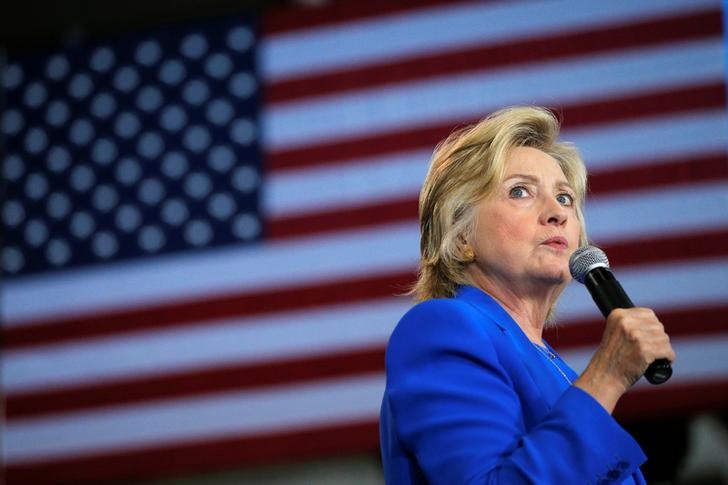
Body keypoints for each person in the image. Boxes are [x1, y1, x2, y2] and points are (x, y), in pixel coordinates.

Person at [379, 106, 676, 484]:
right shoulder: (441, 328)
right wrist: (608, 377)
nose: (557, 213)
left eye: (566, 198)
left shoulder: (558, 370)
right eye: (520, 192)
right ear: (462, 237)